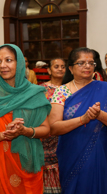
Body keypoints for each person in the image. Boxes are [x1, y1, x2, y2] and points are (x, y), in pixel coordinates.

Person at [0, 44, 51, 194]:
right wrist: (2, 135)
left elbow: (46, 129)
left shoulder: (34, 93)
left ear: (19, 62)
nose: (3, 66)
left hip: (28, 165)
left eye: (8, 60)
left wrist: (25, 130)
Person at [49, 47, 107, 194]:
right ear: (70, 68)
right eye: (81, 63)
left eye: (91, 63)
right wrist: (83, 119)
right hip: (71, 153)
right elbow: (54, 128)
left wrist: (99, 115)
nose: (87, 66)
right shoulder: (61, 91)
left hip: (102, 153)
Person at [40, 58, 66, 194]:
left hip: (66, 134)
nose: (60, 69)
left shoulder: (69, 88)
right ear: (49, 70)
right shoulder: (41, 90)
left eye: (63, 66)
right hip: (47, 137)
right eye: (56, 66)